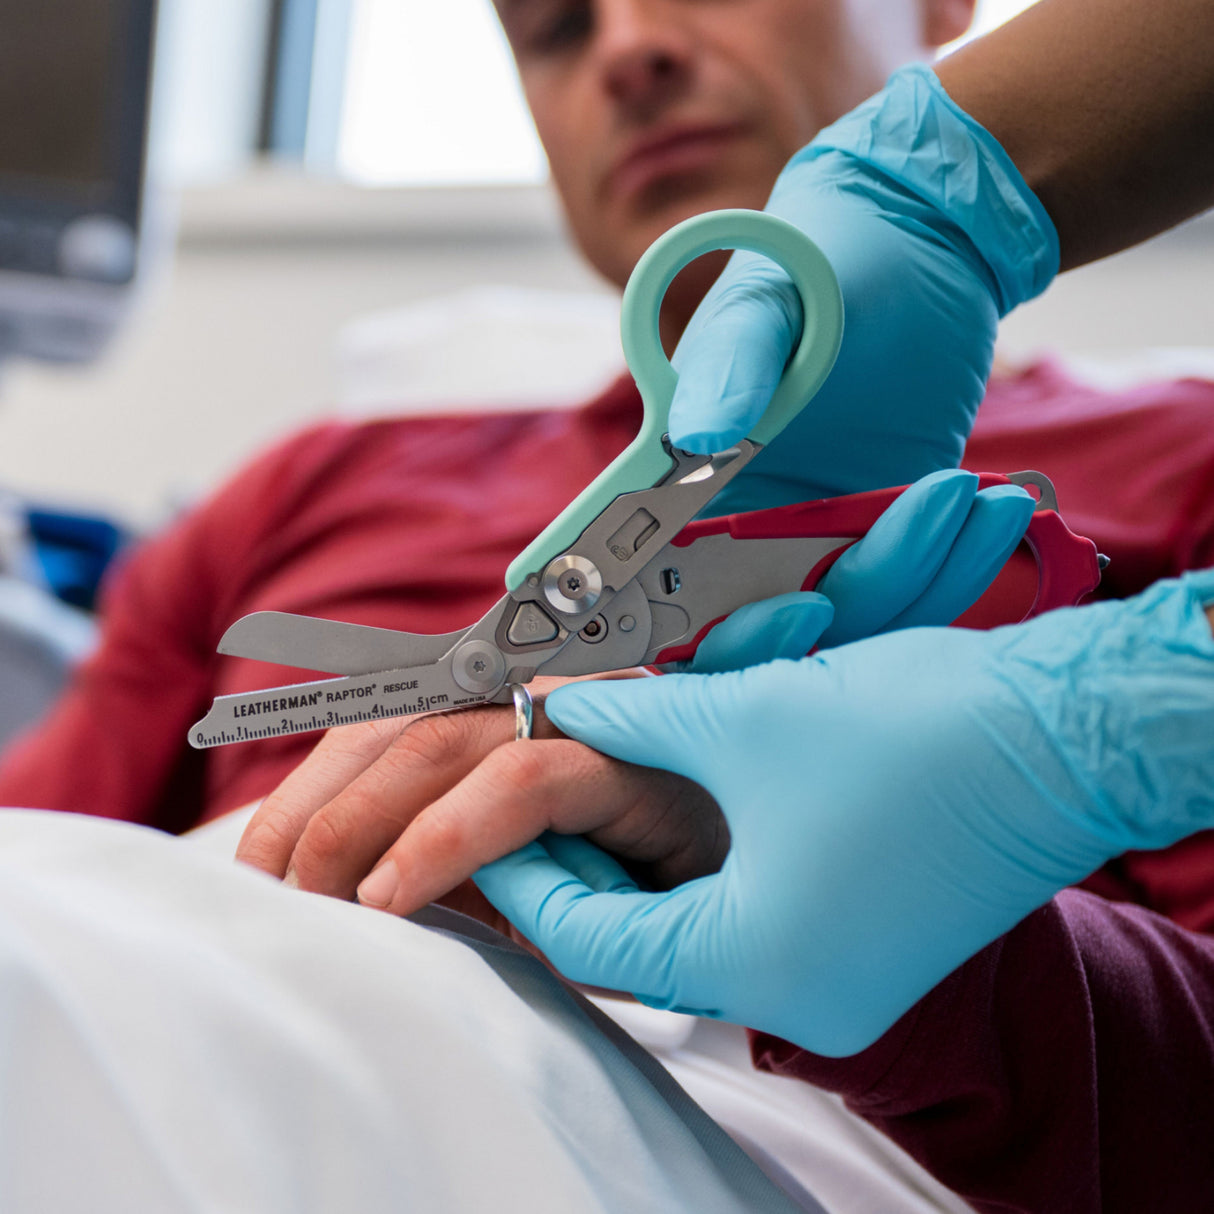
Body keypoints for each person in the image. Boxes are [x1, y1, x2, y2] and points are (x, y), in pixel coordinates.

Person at [0, 0, 1212, 1206]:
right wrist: (923, 192)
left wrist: (931, 946)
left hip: (805, 1125)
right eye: (555, 29)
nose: (629, 50)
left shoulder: (1179, 461)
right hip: (196, 979)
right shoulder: (314, 480)